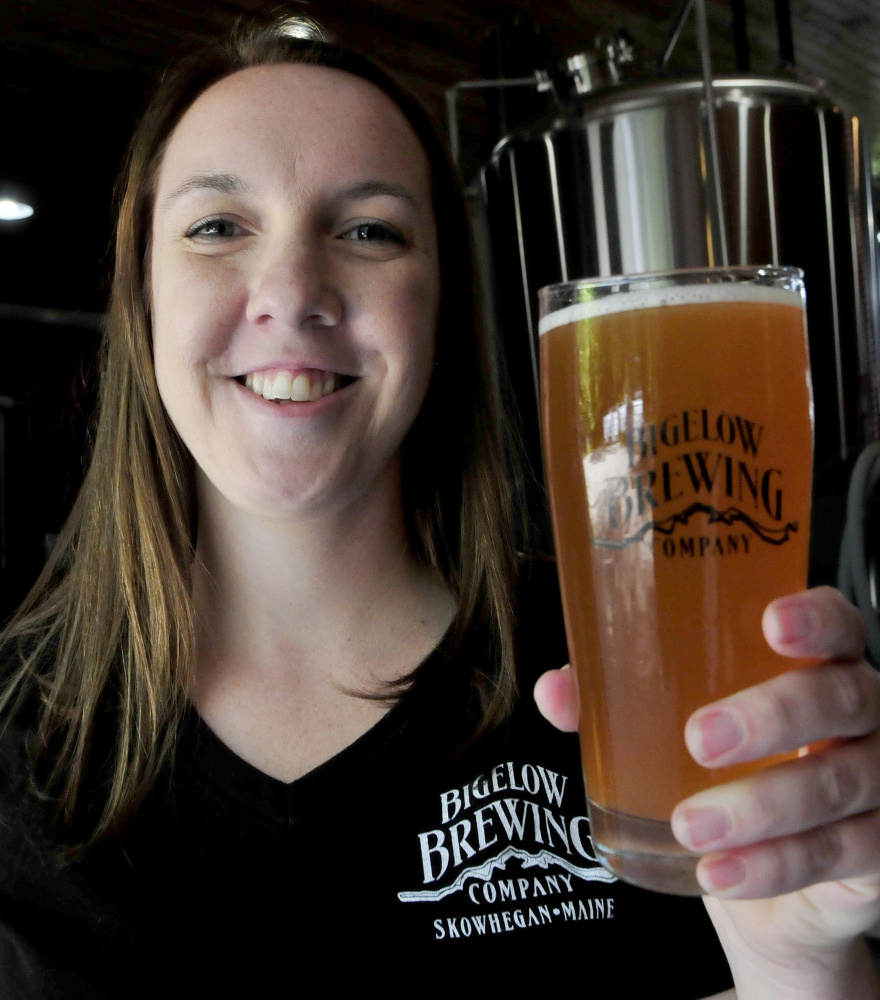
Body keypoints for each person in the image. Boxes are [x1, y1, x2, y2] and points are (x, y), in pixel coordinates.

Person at [0, 14, 878, 998]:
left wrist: (798, 965)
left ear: (439, 309)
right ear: (143, 301)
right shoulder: (15, 727)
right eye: (216, 227)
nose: (292, 291)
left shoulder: (616, 680)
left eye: (369, 229)